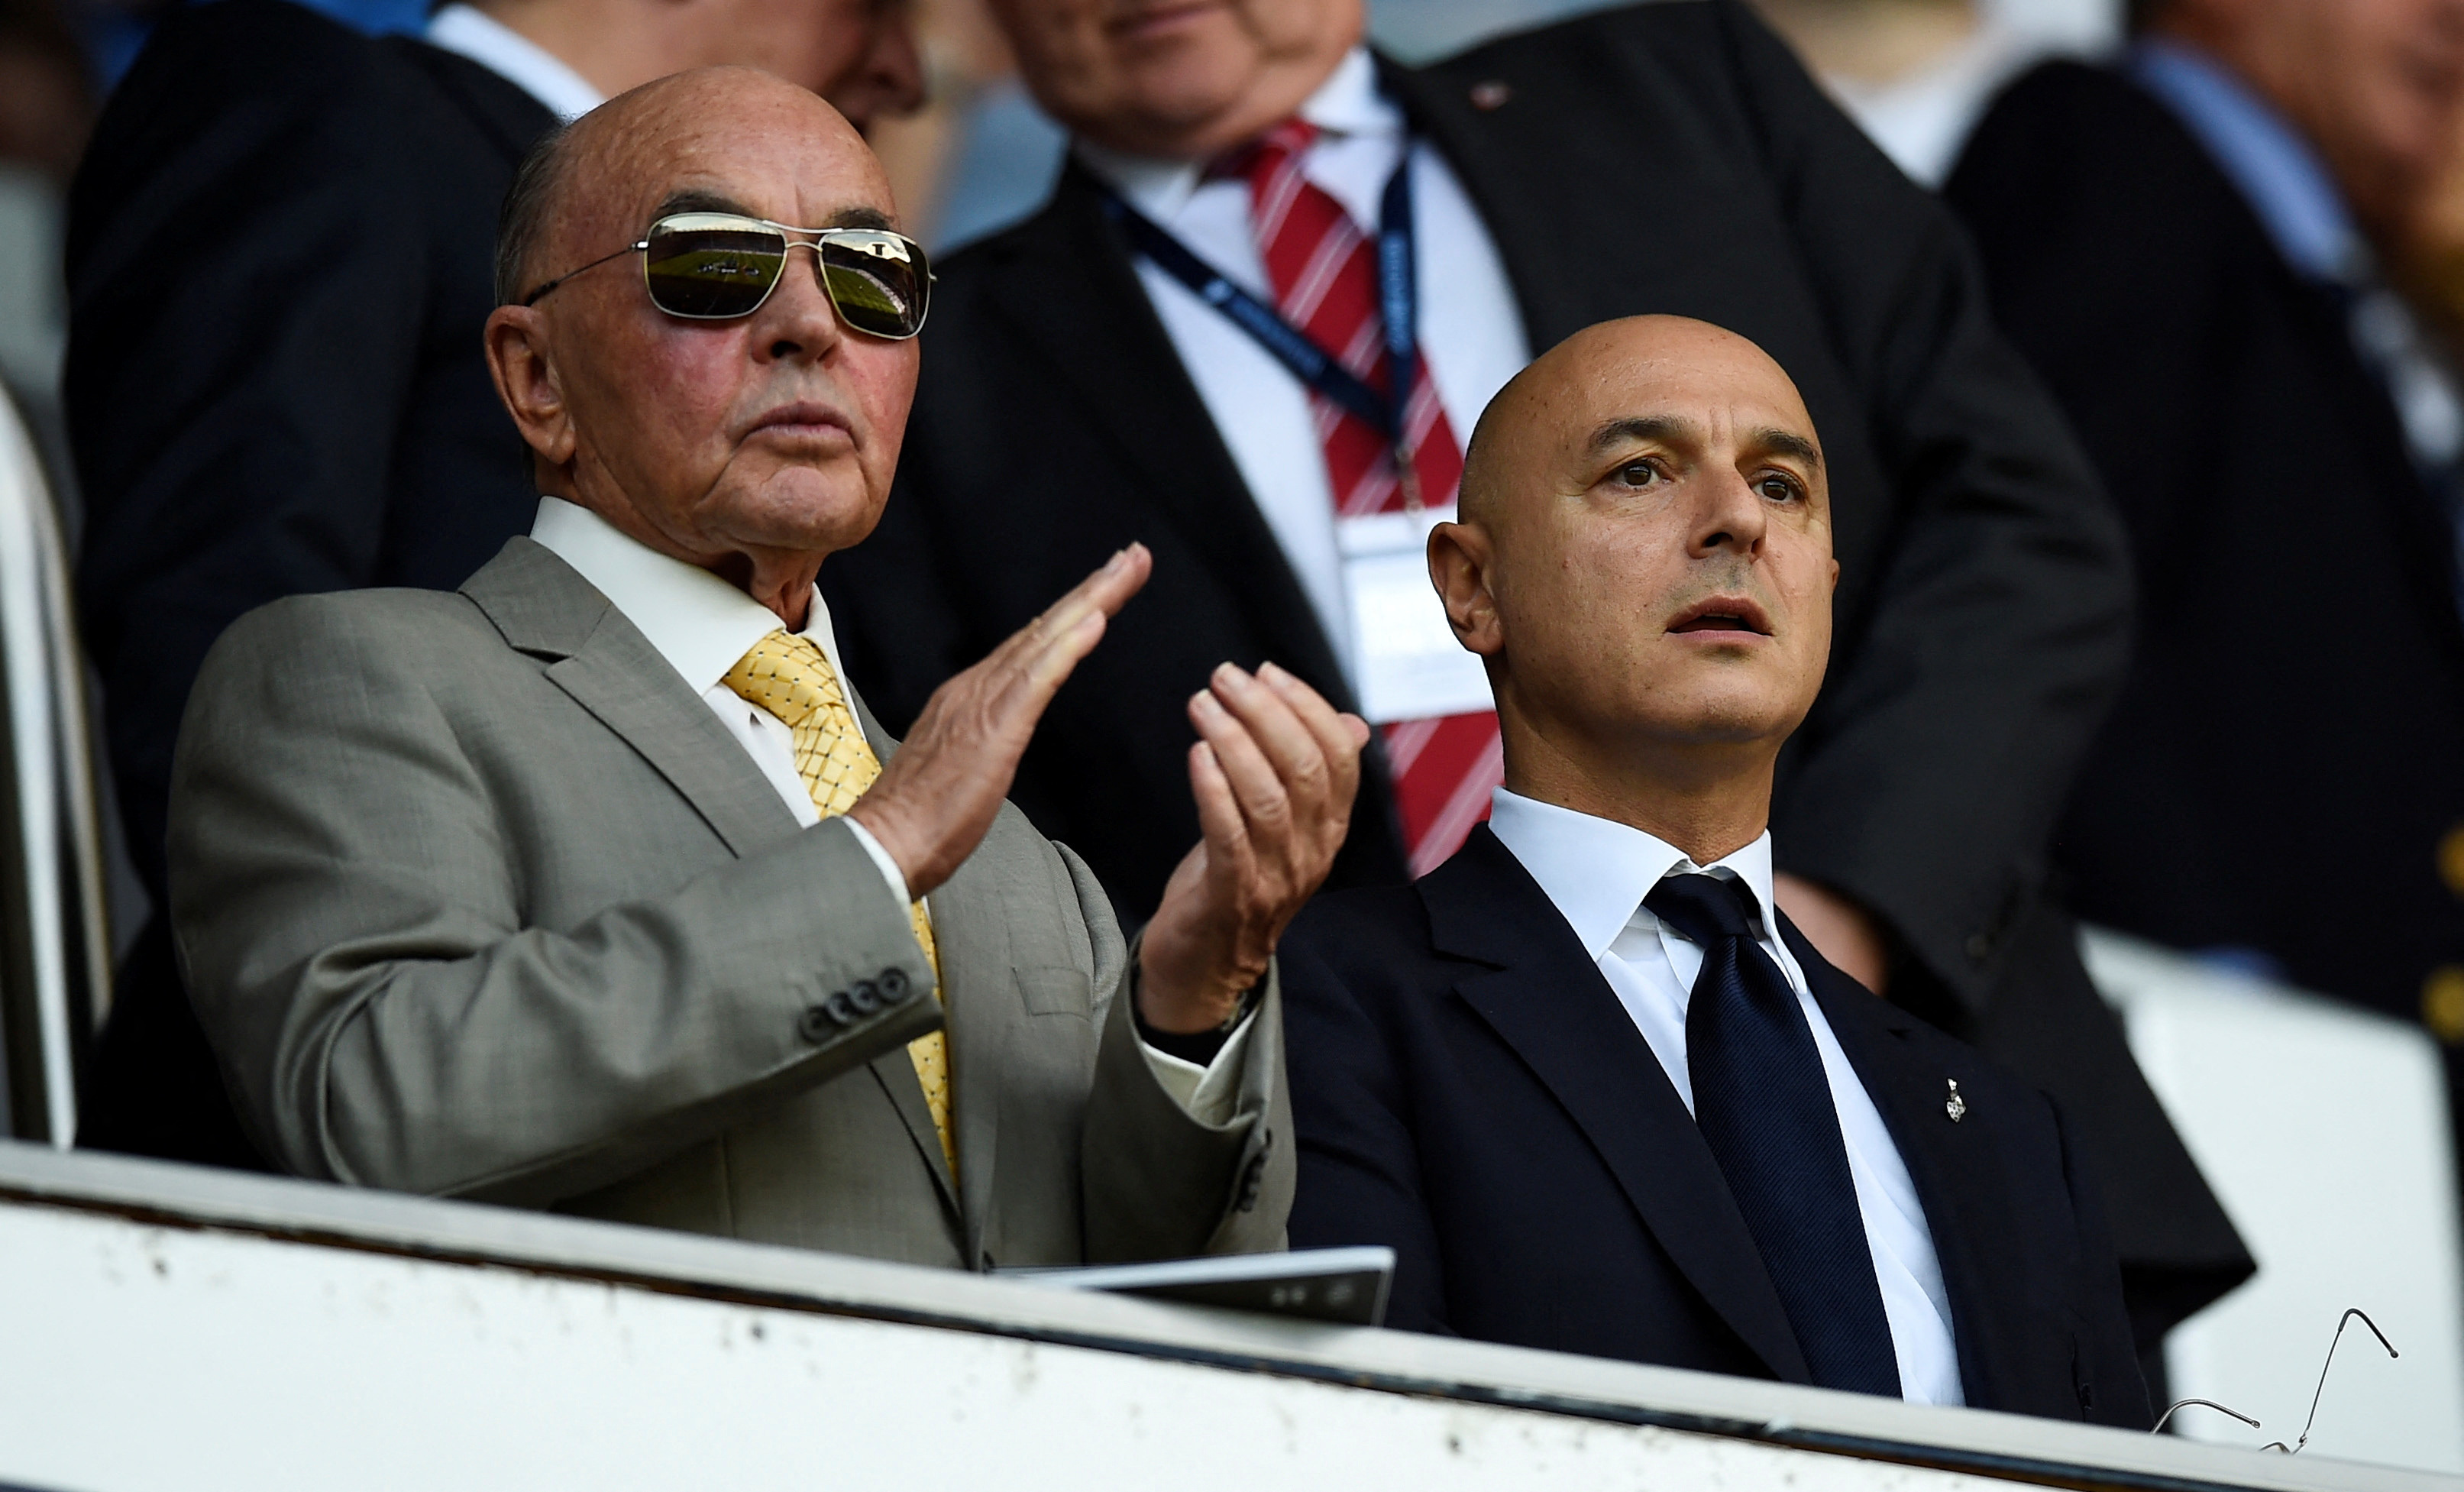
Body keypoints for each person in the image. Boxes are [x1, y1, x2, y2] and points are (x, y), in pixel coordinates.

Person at [819, 0, 2249, 1347]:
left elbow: (2017, 519)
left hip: (1932, 1125)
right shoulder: (945, 378)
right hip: (1417, 1237)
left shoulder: (1686, 96)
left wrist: (1834, 917)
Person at [163, 67, 1363, 1262]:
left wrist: (1196, 995)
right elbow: (374, 1110)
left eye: (872, 278)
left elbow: (1190, 1287)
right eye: (713, 266)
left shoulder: (1017, 858)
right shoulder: (359, 679)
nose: (811, 324)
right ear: (537, 378)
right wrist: (878, 854)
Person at [65, 0, 923, 1167]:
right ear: (528, 370)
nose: (905, 70)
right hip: (358, 1203)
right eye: (882, 6)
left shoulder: (813, 341)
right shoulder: (323, 105)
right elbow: (214, 635)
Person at [1282, 316, 2147, 1424]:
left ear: (1827, 583)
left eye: (1781, 486)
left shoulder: (2007, 1124)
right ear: (1471, 585)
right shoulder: (1328, 1006)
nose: (1737, 518)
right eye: (1638, 471)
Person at [1945, 4, 2464, 1063]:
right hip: (2224, 1096)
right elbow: (2014, 582)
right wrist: (2230, 1011)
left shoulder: (2313, 286)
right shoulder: (2100, 151)